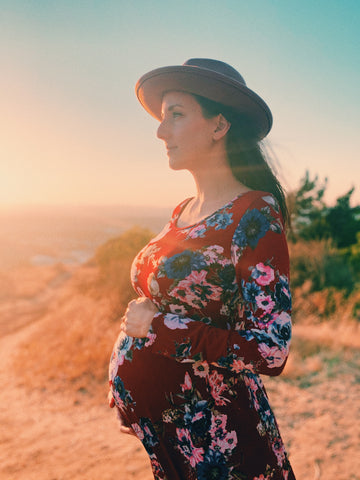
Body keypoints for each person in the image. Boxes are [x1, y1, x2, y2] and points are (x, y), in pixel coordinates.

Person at [108, 58, 295, 480]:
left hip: (222, 444)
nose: (160, 130)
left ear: (219, 126)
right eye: (162, 116)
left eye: (176, 114)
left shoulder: (254, 213)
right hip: (173, 440)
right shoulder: (184, 211)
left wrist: (156, 327)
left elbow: (271, 347)